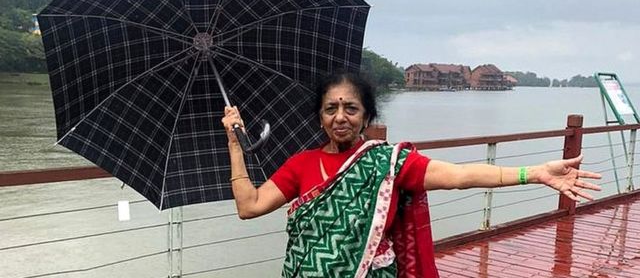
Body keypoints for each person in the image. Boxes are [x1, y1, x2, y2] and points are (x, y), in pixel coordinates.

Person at [221, 72, 601, 277]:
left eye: (350, 108)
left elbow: (458, 175)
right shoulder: (300, 164)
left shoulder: (387, 162)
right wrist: (235, 144)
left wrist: (532, 172)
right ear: (319, 116)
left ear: (366, 116)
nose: (340, 116)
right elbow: (249, 206)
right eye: (330, 108)